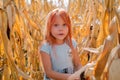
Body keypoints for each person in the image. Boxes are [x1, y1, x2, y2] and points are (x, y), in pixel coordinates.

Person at [39, 8, 83, 80]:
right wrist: (70, 77)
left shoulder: (71, 43)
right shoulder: (45, 47)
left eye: (64, 24)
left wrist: (80, 74)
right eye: (56, 25)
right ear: (49, 27)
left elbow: (77, 64)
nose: (61, 29)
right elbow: (49, 72)